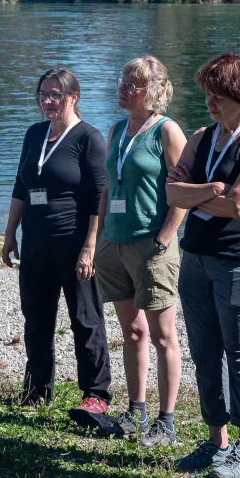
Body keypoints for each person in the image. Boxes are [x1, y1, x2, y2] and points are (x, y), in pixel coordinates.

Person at [165, 54, 240, 478]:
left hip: (239, 262)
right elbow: (172, 193)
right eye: (207, 92)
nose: (209, 100)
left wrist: (198, 195)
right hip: (194, 258)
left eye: (217, 93)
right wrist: (210, 189)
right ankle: (216, 441)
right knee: (205, 353)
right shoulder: (201, 136)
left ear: (239, 94)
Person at [1, 68, 112, 425]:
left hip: (74, 242)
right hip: (35, 242)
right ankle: (36, 390)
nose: (48, 102)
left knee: (85, 319)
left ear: (73, 97)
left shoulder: (88, 138)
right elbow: (20, 188)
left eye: (55, 95)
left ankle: (95, 394)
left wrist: (90, 247)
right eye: (43, 95)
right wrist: (9, 234)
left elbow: (99, 198)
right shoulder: (34, 134)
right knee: (36, 318)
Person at [95, 56, 188, 444]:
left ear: (150, 92)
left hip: (151, 245)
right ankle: (137, 412)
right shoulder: (118, 129)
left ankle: (166, 422)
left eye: (132, 84)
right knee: (131, 332)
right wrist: (98, 236)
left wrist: (165, 236)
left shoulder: (166, 131)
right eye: (123, 80)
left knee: (162, 334)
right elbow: (107, 187)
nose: (122, 88)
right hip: (114, 242)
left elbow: (183, 191)